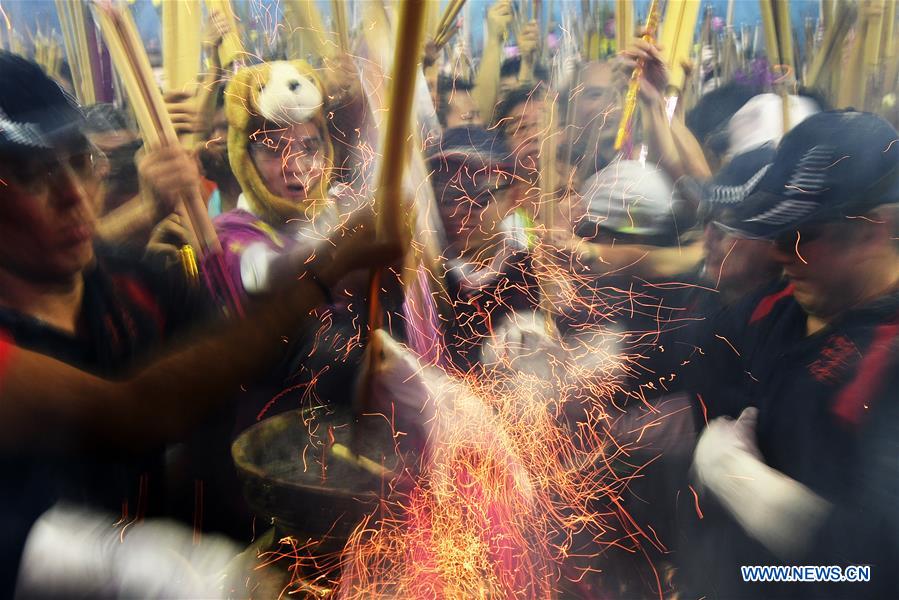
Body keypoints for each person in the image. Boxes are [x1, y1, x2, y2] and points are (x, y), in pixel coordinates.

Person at [0, 51, 401, 597]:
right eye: (31, 176)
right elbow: (135, 409)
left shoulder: (132, 285)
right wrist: (324, 272)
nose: (73, 196)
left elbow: (232, 367)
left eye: (79, 163)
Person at [683, 110, 899, 599]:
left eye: (802, 236)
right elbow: (689, 359)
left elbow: (874, 573)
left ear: (871, 230)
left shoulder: (887, 361)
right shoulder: (774, 307)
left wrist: (755, 494)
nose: (782, 255)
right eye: (778, 237)